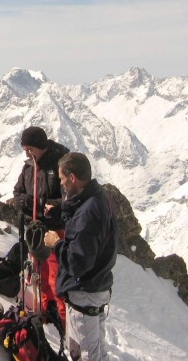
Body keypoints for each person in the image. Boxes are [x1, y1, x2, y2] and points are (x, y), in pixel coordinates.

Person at [44, 152, 117, 361]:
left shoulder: (87, 213)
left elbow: (77, 263)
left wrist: (55, 243)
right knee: (96, 351)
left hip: (84, 292)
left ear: (72, 177)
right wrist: (58, 212)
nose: (61, 183)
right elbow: (80, 222)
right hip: (97, 285)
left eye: (62, 178)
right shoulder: (96, 198)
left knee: (81, 354)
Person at [12, 126, 69, 329]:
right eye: (25, 149)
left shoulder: (60, 164)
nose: (27, 153)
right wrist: (27, 202)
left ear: (39, 146)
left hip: (55, 229)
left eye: (29, 149)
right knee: (39, 274)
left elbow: (66, 199)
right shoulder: (29, 166)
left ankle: (63, 321)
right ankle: (45, 311)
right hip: (35, 230)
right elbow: (17, 192)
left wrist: (40, 203)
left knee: (56, 277)